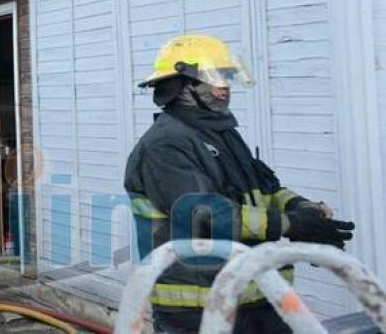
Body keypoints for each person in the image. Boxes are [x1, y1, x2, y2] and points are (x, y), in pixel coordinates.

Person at [124, 34, 355, 333]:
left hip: (255, 296)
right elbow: (207, 214)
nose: (225, 87)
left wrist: (303, 209)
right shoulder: (165, 145)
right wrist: (291, 225)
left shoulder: (223, 134)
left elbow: (264, 189)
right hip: (199, 307)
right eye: (214, 78)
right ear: (181, 86)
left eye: (227, 77)